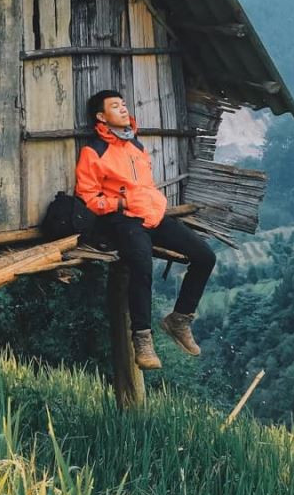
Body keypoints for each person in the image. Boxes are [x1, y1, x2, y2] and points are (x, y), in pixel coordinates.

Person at [75, 89, 216, 370]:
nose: (123, 109)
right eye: (115, 106)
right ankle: (142, 338)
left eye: (124, 104)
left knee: (205, 257)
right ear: (101, 117)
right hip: (123, 219)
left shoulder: (136, 146)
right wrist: (121, 202)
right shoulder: (94, 151)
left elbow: (146, 186)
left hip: (153, 216)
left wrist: (154, 205)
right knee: (141, 265)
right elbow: (88, 197)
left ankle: (179, 319)